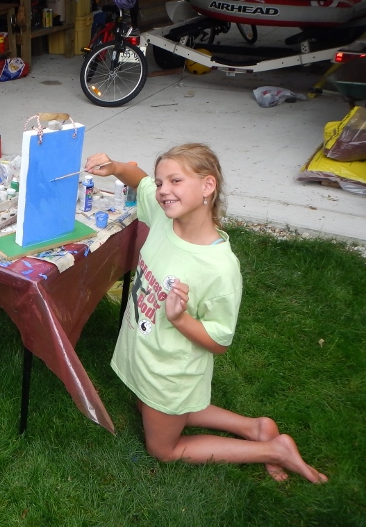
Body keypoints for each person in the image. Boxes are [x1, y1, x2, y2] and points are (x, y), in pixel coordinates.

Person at [84, 143, 327, 483]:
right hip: (147, 354)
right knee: (146, 406)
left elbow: (219, 341)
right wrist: (116, 167)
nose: (164, 190)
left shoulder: (220, 269)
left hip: (170, 369)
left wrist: (180, 319)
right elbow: (140, 181)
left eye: (175, 181)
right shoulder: (164, 217)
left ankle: (273, 450)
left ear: (207, 186)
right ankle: (254, 427)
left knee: (163, 449)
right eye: (162, 182)